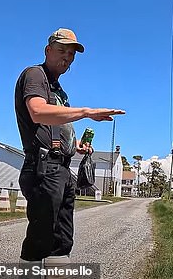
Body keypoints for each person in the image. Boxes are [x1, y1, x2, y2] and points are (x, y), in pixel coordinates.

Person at [14, 28, 125, 271]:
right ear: (48, 50)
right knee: (40, 238)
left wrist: (75, 146)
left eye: (72, 53)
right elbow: (38, 112)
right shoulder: (35, 75)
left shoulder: (59, 90)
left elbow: (55, 126)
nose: (67, 57)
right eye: (62, 50)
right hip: (43, 167)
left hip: (62, 169)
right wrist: (86, 112)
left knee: (62, 240)